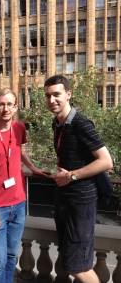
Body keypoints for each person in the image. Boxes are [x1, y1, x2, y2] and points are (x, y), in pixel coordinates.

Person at [44, 75, 113, 283]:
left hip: (81, 202)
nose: (52, 100)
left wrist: (71, 176)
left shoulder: (81, 123)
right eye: (48, 96)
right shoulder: (57, 123)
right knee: (71, 260)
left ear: (68, 94)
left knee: (78, 266)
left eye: (57, 94)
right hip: (65, 199)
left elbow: (106, 161)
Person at [0, 88, 48, 283]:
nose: (5, 109)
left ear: (15, 107)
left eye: (9, 104)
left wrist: (32, 167)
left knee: (10, 257)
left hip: (18, 203)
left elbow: (19, 150)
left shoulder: (19, 128)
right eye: (1, 104)